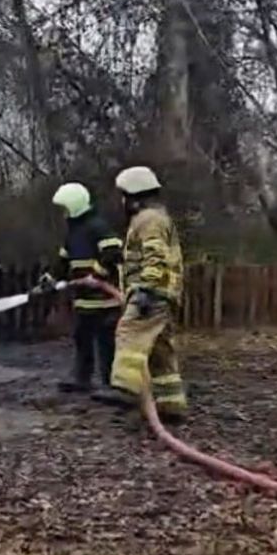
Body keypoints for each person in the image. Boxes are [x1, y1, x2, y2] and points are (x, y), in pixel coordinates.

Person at [92, 166, 188, 421]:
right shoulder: (156, 218)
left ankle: (125, 389)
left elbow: (155, 255)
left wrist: (146, 290)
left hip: (151, 292)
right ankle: (172, 404)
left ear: (134, 196)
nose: (122, 202)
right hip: (163, 293)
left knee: (129, 333)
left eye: (124, 196)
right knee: (160, 351)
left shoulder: (148, 220)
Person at [33, 182, 123, 393]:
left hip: (104, 299)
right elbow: (62, 263)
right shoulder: (73, 233)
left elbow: (113, 253)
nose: (62, 213)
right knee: (82, 339)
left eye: (64, 207)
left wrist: (98, 274)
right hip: (83, 300)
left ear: (74, 205)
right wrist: (49, 278)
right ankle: (82, 379)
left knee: (106, 343)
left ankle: (111, 384)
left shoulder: (98, 227)